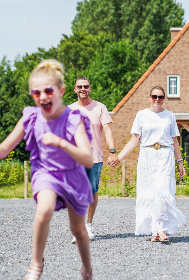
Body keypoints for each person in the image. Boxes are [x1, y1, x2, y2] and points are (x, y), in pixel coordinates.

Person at [0, 59, 94, 279]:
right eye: (37, 93)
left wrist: (60, 142)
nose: (43, 97)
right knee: (43, 209)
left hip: (73, 175)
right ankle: (36, 263)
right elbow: (3, 150)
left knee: (79, 231)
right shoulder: (31, 117)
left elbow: (88, 160)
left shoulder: (73, 119)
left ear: (61, 91)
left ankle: (87, 268)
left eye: (48, 91)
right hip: (45, 172)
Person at [110, 86, 186, 242]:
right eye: (154, 96)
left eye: (160, 97)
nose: (157, 99)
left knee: (163, 191)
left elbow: (175, 142)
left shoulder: (169, 116)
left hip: (165, 155)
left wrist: (180, 163)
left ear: (164, 98)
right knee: (150, 193)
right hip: (147, 156)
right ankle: (155, 230)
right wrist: (119, 157)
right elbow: (134, 140)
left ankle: (161, 229)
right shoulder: (141, 115)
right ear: (149, 97)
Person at [69, 76, 118, 242]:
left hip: (95, 157)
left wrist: (112, 151)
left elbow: (108, 131)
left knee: (92, 191)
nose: (83, 89)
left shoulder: (100, 107)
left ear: (90, 88)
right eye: (80, 86)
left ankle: (89, 224)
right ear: (75, 89)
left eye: (86, 86)